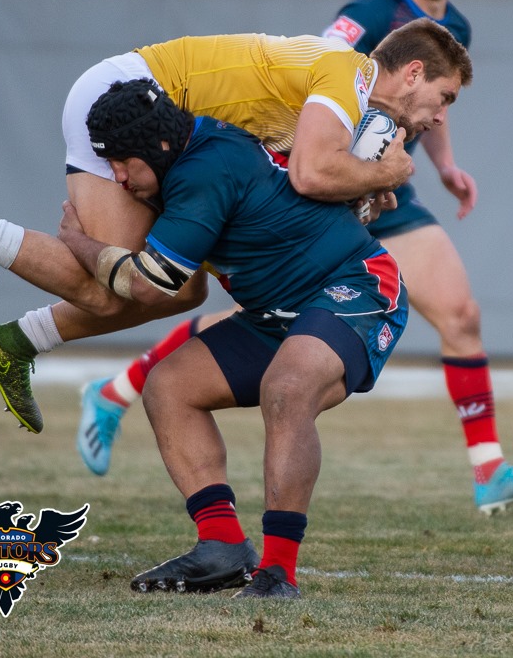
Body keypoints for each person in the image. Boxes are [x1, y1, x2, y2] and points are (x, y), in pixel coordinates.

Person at [75, 0, 513, 515]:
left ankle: (488, 469)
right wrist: (323, 171)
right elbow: (320, 89)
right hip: (329, 180)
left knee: (459, 314)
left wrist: (444, 165)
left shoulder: (452, 32)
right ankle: (120, 388)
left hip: (384, 183)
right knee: (265, 310)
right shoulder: (365, 17)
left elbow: (432, 100)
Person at [0, 20, 471, 434]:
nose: (441, 115)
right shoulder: (348, 79)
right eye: (444, 97)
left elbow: (293, 178)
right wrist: (386, 170)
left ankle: (16, 341)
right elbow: (312, 176)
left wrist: (365, 190)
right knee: (125, 284)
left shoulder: (348, 87)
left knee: (182, 289)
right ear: (412, 73)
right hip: (136, 105)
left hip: (166, 124)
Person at [63, 78, 410, 598]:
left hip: (353, 284)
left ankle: (277, 573)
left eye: (122, 162)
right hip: (276, 312)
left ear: (159, 147)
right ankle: (222, 546)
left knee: (288, 387)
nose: (115, 177)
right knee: (168, 387)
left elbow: (149, 288)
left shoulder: (204, 171)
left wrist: (78, 242)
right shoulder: (191, 156)